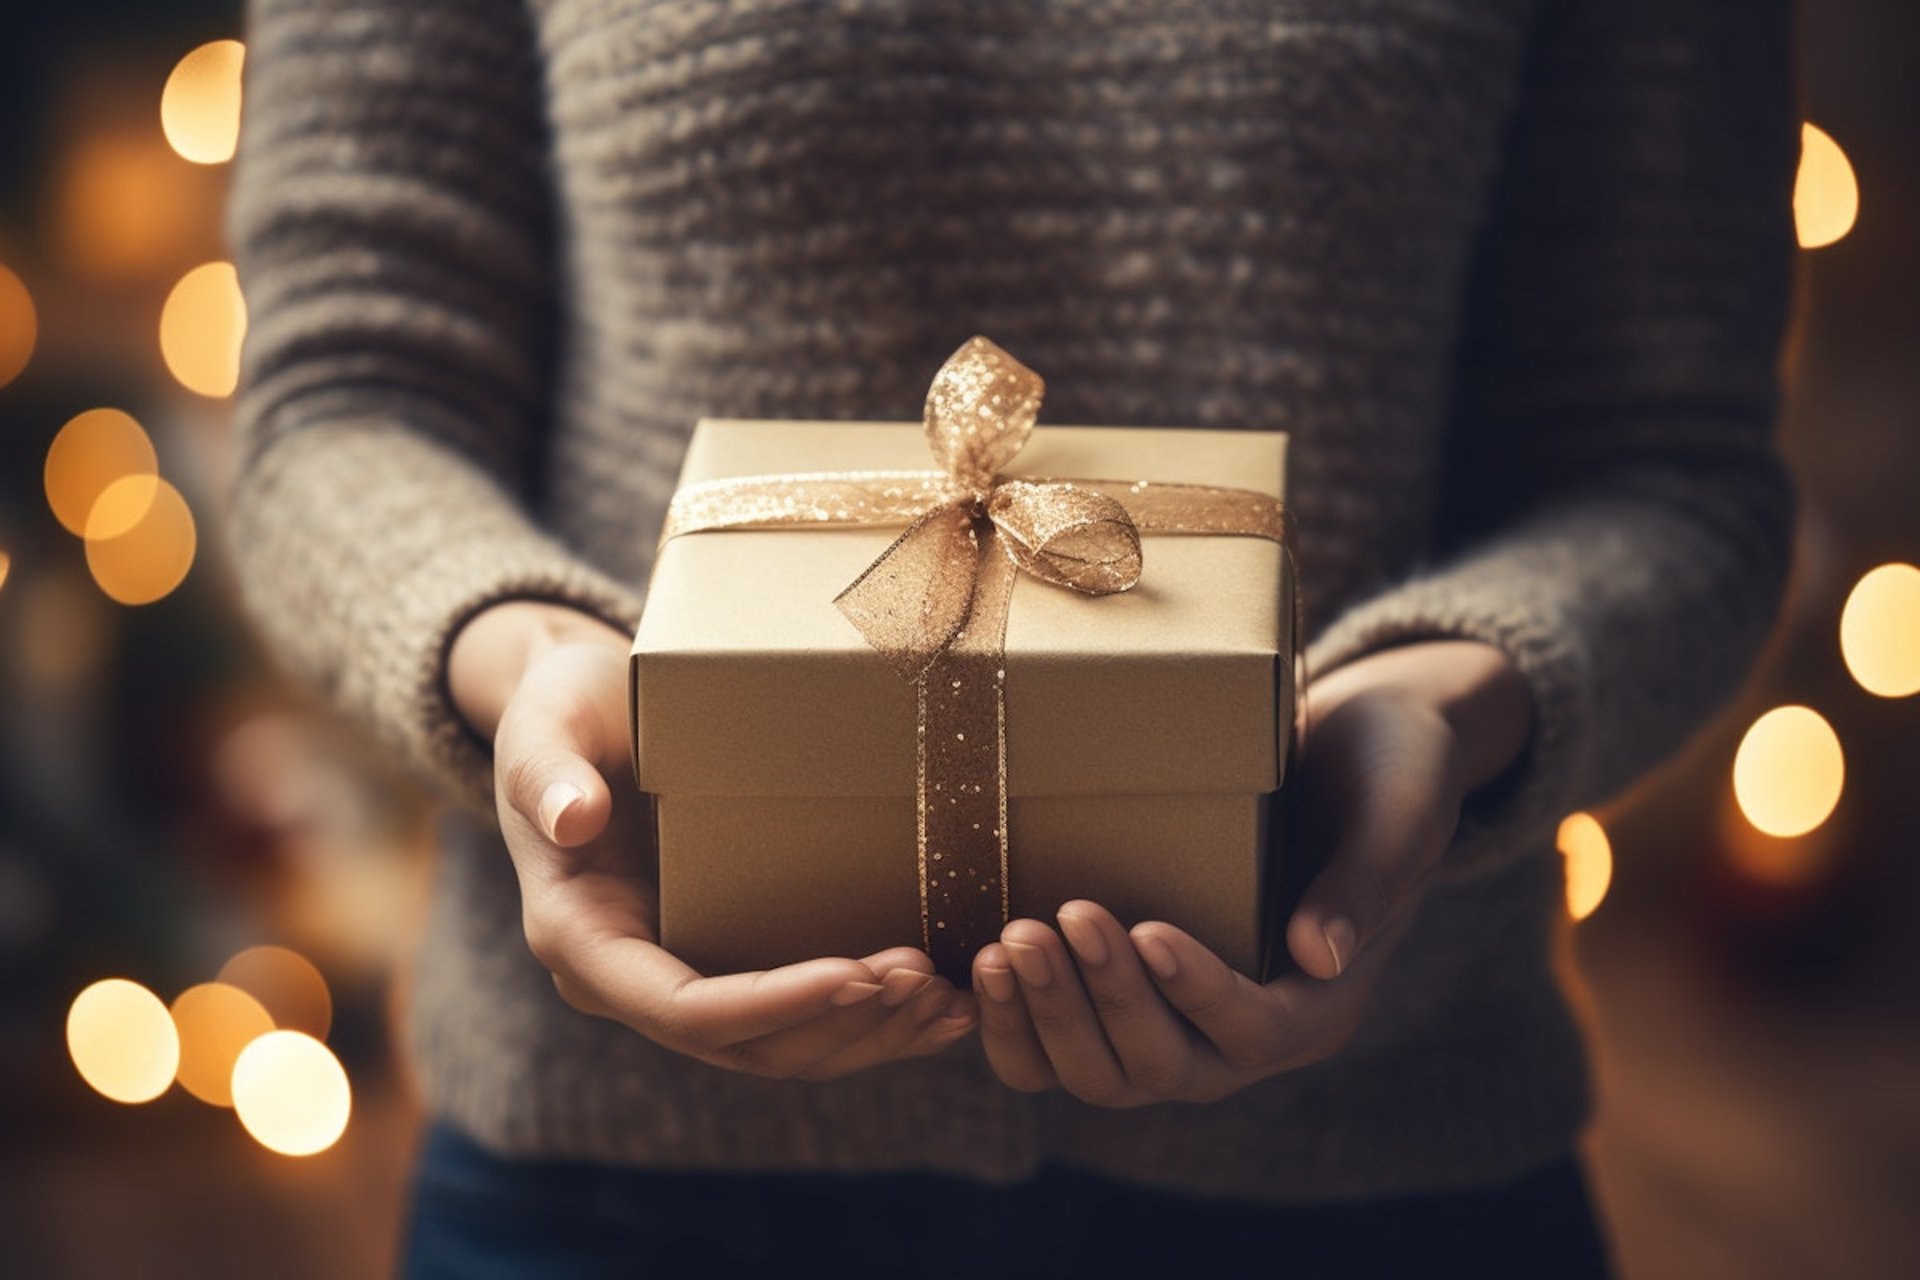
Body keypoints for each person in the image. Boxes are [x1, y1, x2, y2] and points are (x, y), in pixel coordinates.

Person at [225, 0, 1796, 1274]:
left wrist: (1437, 708)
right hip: (615, 1187)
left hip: (1382, 1170)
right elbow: (343, 399)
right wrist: (531, 662)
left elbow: (1669, 465)